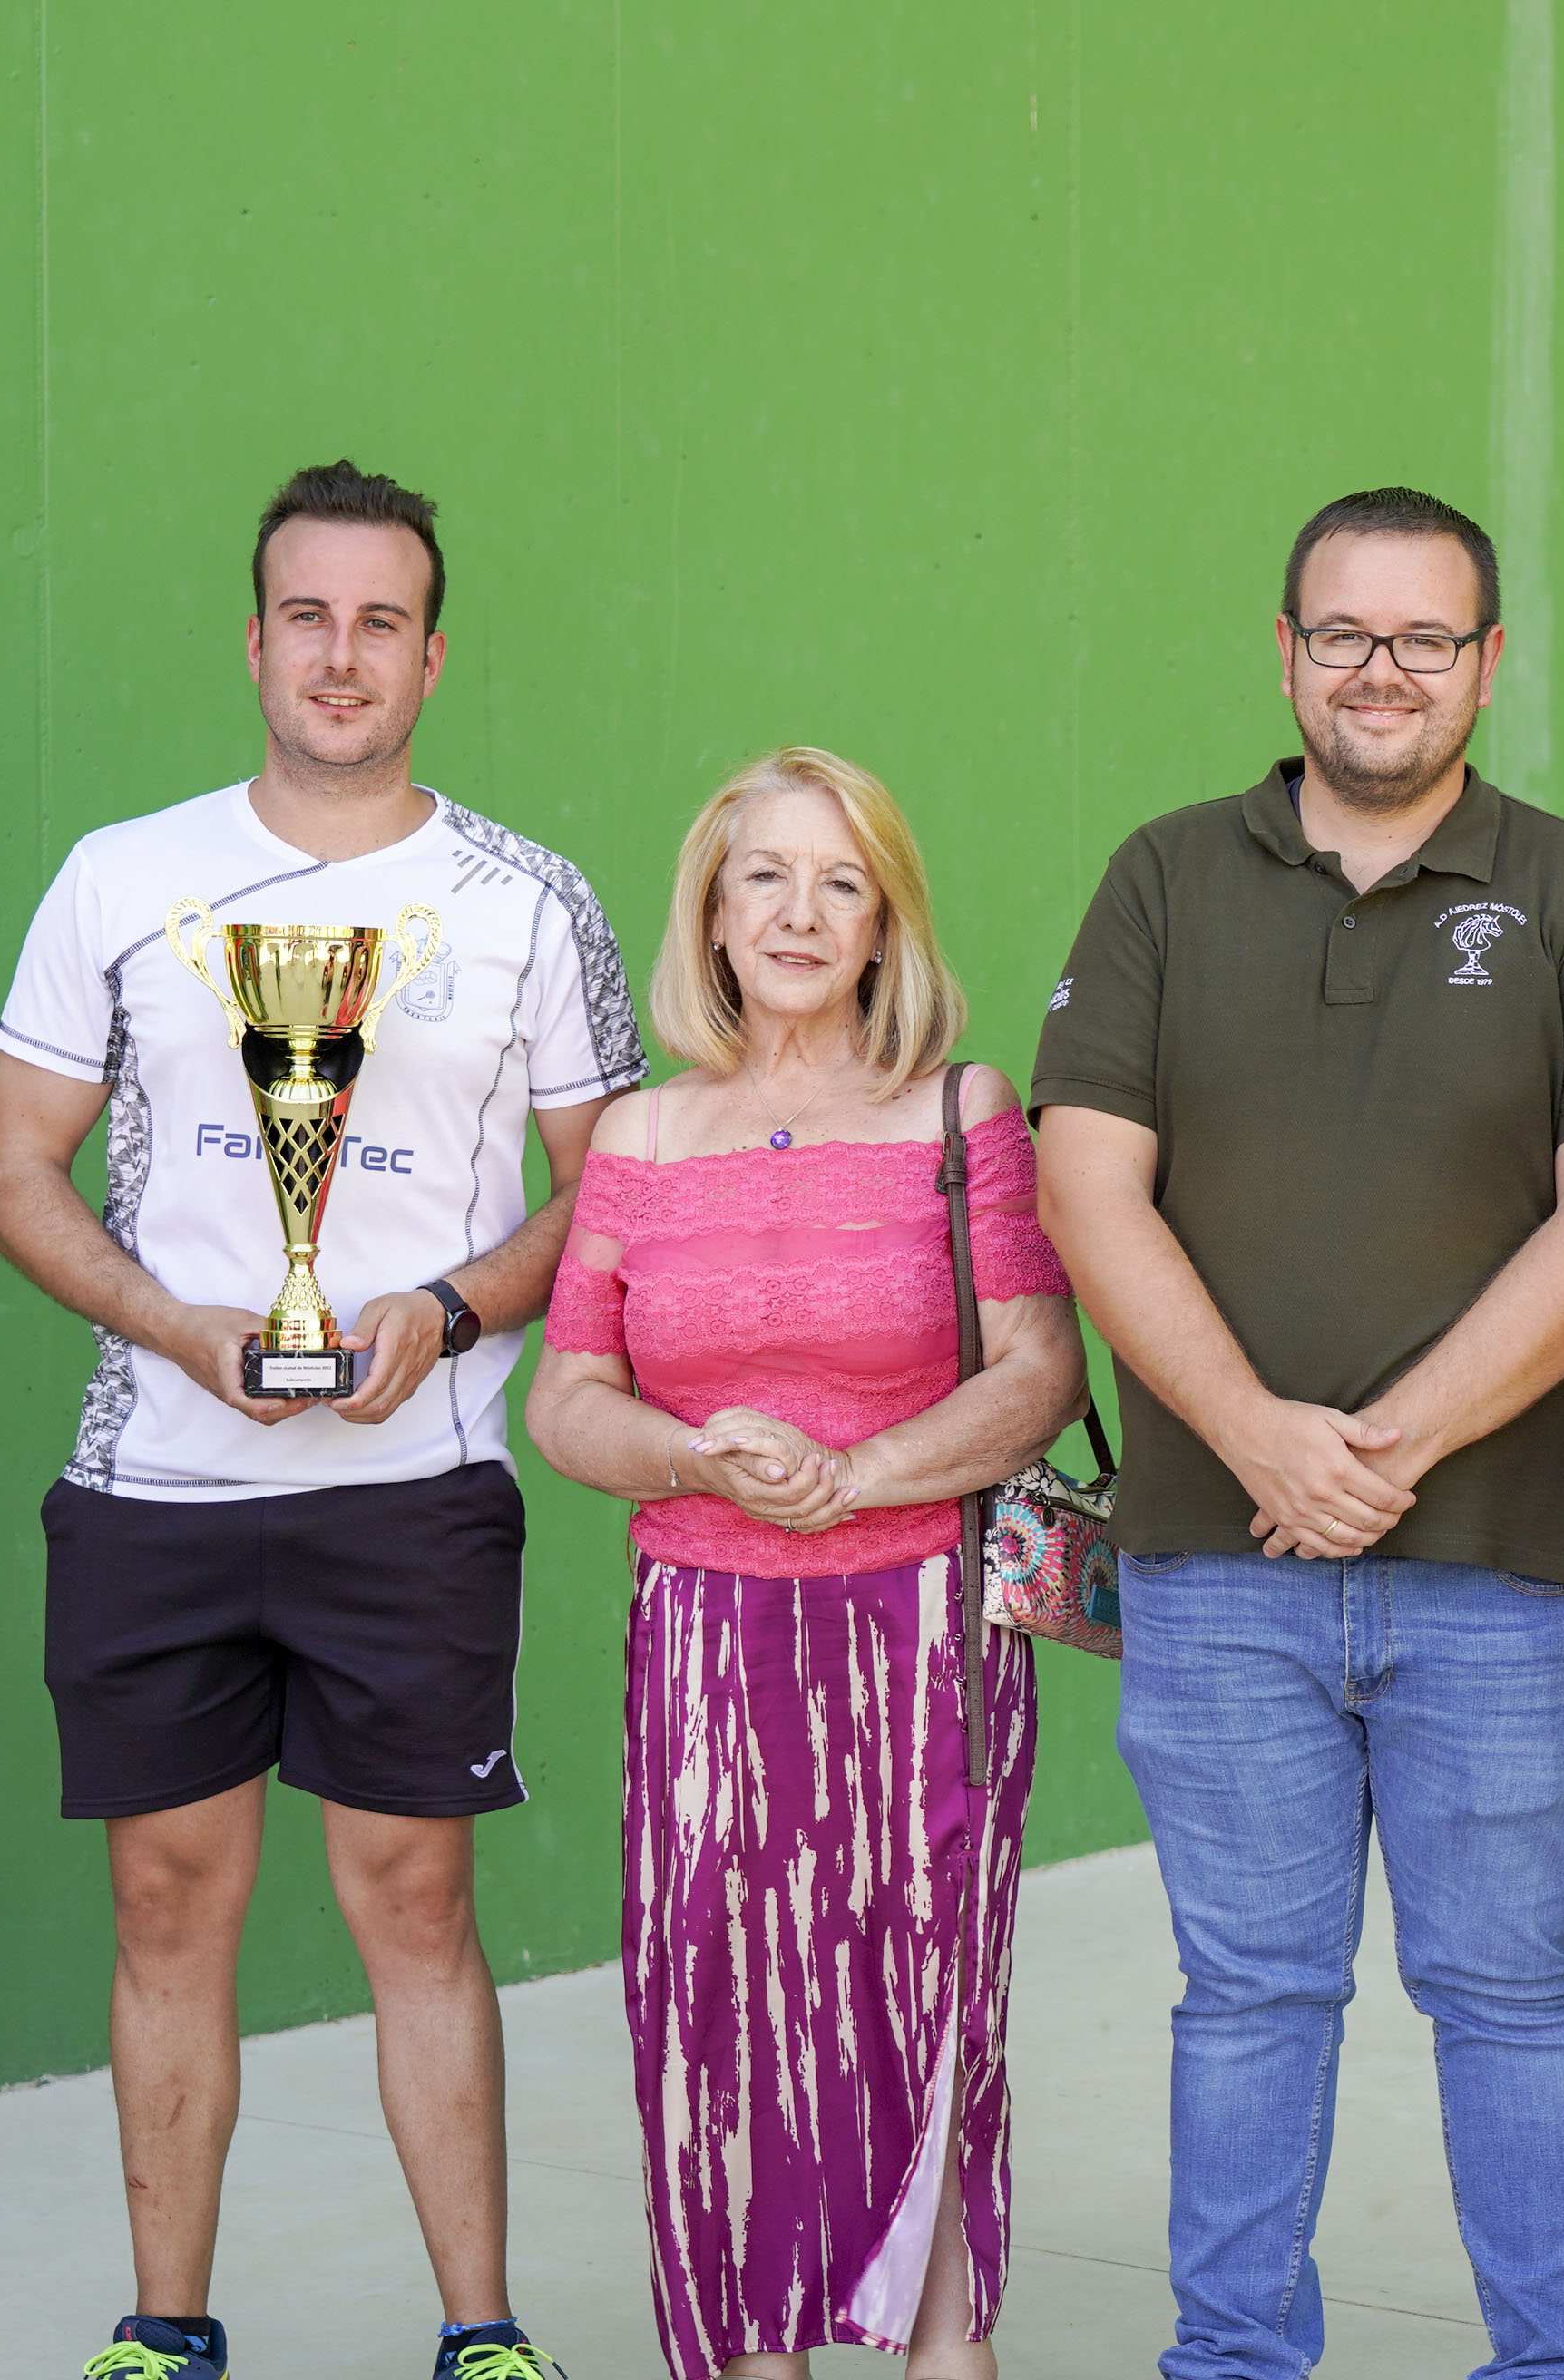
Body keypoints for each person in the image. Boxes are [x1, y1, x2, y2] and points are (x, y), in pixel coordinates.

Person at [0, 460, 641, 2380]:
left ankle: (482, 2334)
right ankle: (163, 2329)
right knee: (166, 1902)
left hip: (413, 1491)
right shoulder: (121, 876)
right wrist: (171, 1323)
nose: (340, 654)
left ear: (432, 657)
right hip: (155, 1484)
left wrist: (450, 1311)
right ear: (253, 642)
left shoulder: (530, 899)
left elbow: (610, 1189)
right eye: (306, 616)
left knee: (416, 1898)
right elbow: (17, 1169)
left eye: (379, 622)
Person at [1030, 486, 1564, 2380]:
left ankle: (1555, 2363)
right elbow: (1086, 1185)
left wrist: (1381, 1445)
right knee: (1248, 1995)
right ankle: (1233, 2360)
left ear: (1486, 663)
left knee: (1512, 1993)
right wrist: (1258, 1436)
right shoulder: (1164, 878)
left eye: (1424, 638)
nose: (1381, 671)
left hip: (1507, 1569)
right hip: (1217, 1564)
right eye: (1344, 633)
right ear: (1285, 652)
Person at [525, 746, 1083, 2380]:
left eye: (843, 883)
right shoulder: (640, 1133)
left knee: (924, 2005)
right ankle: (752, 2351)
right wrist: (694, 1458)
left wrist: (858, 1477)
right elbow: (566, 1397)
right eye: (764, 875)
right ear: (710, 910)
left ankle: (941, 2346)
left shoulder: (961, 1112)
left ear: (886, 925)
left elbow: (1040, 1368)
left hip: (923, 1635)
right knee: (718, 2015)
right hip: (705, 1635)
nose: (800, 912)